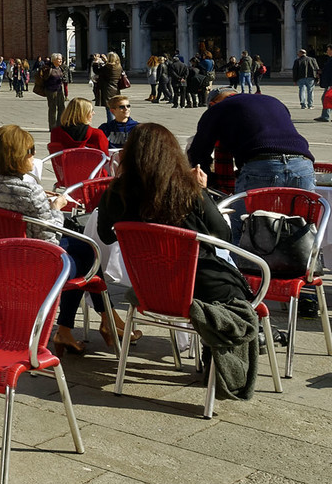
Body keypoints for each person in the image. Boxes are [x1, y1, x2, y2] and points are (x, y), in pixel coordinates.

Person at [97, 123, 261, 398]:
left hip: (149, 289)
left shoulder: (117, 191)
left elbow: (105, 235)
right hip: (202, 285)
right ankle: (217, 360)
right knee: (240, 294)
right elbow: (221, 234)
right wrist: (203, 191)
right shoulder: (187, 187)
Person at [0, 122, 107, 355]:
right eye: (30, 151)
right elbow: (49, 235)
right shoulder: (29, 191)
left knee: (81, 249)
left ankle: (80, 326)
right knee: (86, 253)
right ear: (18, 156)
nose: (34, 156)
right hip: (36, 264)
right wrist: (55, 205)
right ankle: (93, 322)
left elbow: (9, 199)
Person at [186, 86, 315, 194]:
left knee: (243, 220)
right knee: (300, 219)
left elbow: (198, 153)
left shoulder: (217, 109)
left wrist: (209, 180)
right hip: (303, 165)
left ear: (212, 104)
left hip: (263, 166)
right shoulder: (273, 101)